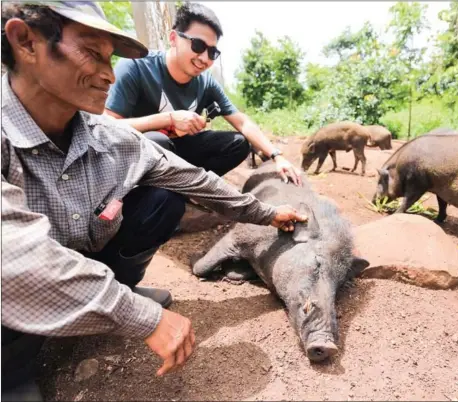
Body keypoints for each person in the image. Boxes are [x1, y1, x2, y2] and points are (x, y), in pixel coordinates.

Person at [0, 2, 307, 401]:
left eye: (110, 59)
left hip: (80, 249)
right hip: (12, 286)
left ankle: (112, 290)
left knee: (163, 199)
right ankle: (11, 367)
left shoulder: (107, 136)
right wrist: (141, 317)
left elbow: (195, 179)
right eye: (92, 53)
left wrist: (266, 214)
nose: (109, 74)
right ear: (26, 42)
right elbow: (14, 257)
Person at [104, 2, 302, 187]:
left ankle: (190, 189)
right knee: (158, 141)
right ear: (173, 38)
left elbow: (241, 122)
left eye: (212, 52)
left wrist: (277, 156)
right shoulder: (136, 67)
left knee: (238, 144)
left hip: (180, 153)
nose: (205, 58)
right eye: (198, 46)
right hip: (139, 159)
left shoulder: (205, 82)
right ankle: (157, 197)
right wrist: (169, 119)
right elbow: (106, 127)